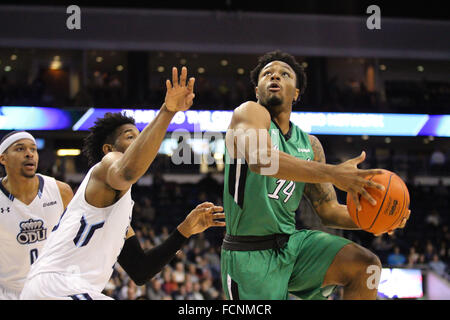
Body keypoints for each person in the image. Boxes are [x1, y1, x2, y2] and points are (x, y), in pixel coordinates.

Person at [20, 67, 225, 300]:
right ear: (109, 148)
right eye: (131, 136)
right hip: (58, 286)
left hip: (58, 289)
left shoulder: (114, 207)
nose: (140, 142)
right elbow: (128, 171)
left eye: (140, 137)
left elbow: (141, 270)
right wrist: (168, 111)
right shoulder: (107, 164)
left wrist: (185, 230)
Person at [220, 50, 411, 300]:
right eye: (267, 74)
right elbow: (261, 160)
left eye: (284, 74)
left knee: (367, 266)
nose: (274, 76)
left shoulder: (310, 145)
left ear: (296, 92)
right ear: (257, 90)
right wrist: (333, 173)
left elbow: (328, 210)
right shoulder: (248, 114)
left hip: (292, 247)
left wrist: (377, 219)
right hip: (248, 255)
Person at [0, 130, 73, 299]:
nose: (29, 154)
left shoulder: (61, 191)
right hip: (9, 292)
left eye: (33, 149)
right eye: (20, 149)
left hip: (53, 289)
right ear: (3, 159)